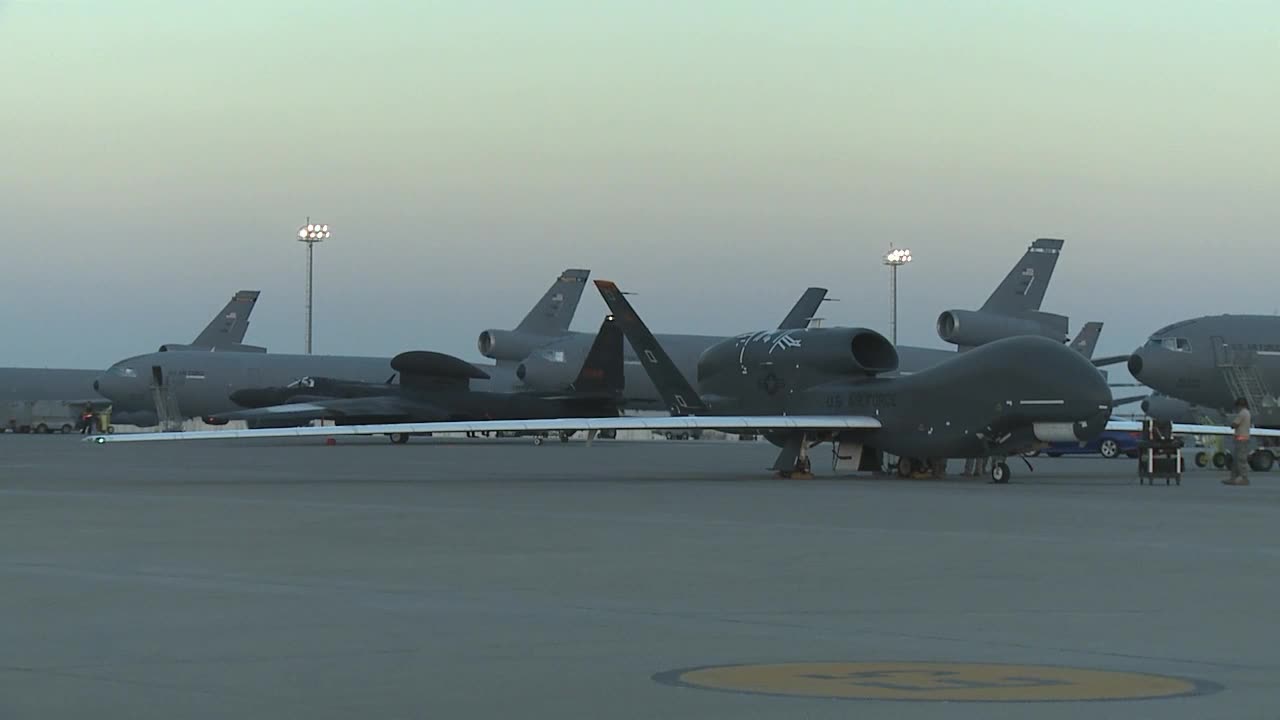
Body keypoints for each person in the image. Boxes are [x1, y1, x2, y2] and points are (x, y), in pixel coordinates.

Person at [1224, 397, 1251, 486]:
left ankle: (1244, 478)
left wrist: (1230, 422)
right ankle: (1234, 477)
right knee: (1236, 460)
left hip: (1241, 439)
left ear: (1239, 405)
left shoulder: (1242, 413)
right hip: (1243, 438)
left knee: (1240, 459)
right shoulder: (1247, 413)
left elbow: (1234, 424)